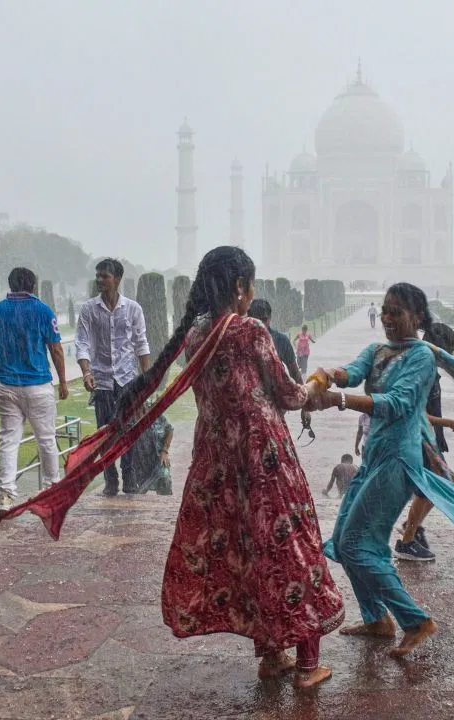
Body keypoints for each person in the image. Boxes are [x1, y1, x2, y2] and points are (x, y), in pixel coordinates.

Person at [141, 246, 343, 689]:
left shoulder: (195, 335)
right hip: (262, 459)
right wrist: (317, 381)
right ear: (239, 287)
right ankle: (308, 664)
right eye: (250, 284)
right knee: (292, 548)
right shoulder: (249, 330)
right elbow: (290, 395)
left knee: (248, 552)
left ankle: (272, 656)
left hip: (218, 463)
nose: (252, 293)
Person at [307, 283, 454, 658]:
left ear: (418, 318)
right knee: (345, 543)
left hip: (399, 462)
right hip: (374, 459)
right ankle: (376, 619)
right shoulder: (377, 350)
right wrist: (330, 376)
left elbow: (397, 404)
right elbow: (353, 371)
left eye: (396, 312)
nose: (387, 318)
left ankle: (416, 621)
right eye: (384, 310)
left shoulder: (421, 359)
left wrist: (338, 400)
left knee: (354, 545)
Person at [0, 267, 69, 511]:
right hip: (38, 385)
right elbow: (57, 350)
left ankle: (6, 493)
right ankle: (52, 488)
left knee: (9, 440)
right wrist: (63, 381)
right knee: (47, 439)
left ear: (10, 285)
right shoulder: (42, 311)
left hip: (8, 386)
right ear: (33, 286)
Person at [394, 322, 454, 562]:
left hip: (430, 440)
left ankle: (411, 526)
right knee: (430, 490)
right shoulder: (421, 372)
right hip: (420, 440)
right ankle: (406, 542)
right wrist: (450, 423)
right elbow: (416, 413)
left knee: (437, 488)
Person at [75, 258, 152, 496]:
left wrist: (146, 380)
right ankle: (111, 479)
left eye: (105, 276)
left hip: (127, 379)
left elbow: (141, 344)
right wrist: (86, 372)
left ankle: (129, 476)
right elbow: (82, 343)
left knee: (128, 429)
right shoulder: (89, 309)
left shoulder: (132, 309)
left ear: (117, 279)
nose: (100, 280)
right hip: (102, 381)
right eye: (98, 275)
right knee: (105, 433)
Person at [248, 299, 301, 383]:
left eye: (264, 320)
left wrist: (304, 394)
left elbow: (294, 372)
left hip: (276, 392)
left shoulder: (281, 340)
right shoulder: (242, 341)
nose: (260, 324)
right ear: (249, 319)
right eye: (256, 320)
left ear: (270, 318)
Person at [129, 398, 174, 495]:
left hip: (157, 458)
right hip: (139, 464)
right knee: (139, 494)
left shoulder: (153, 411)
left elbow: (169, 430)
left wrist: (165, 451)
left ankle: (166, 507)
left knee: (164, 479)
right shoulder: (127, 416)